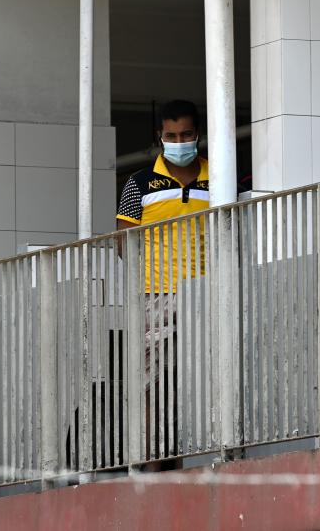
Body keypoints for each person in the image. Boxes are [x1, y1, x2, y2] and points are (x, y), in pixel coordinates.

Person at [116, 99, 209, 461]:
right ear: (160, 136)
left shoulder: (219, 175)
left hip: (204, 294)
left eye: (186, 133)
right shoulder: (138, 183)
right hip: (155, 296)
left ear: (197, 134)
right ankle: (153, 460)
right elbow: (124, 241)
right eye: (172, 135)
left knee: (200, 378)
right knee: (153, 383)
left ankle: (197, 453)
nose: (179, 140)